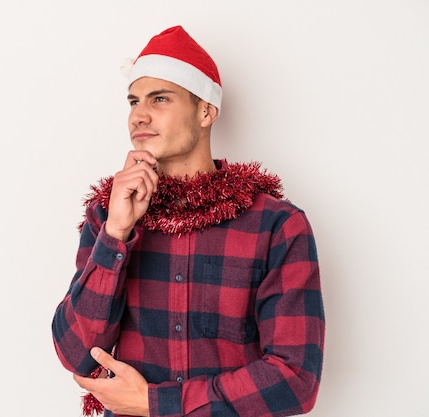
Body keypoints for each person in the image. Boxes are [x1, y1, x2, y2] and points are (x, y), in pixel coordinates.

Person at [51, 25, 325, 417]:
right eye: (133, 101)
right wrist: (116, 234)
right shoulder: (109, 214)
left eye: (159, 99)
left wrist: (154, 403)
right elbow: (76, 354)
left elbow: (295, 381)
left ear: (206, 111)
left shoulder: (275, 226)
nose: (139, 116)